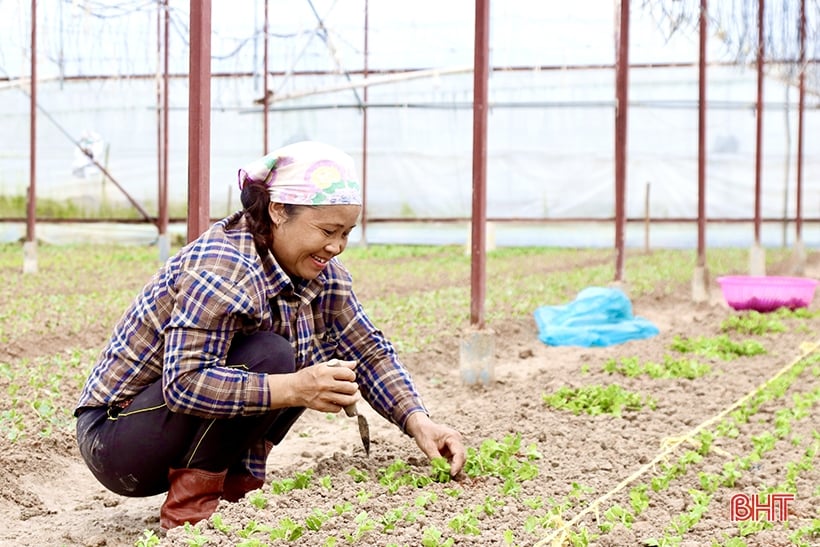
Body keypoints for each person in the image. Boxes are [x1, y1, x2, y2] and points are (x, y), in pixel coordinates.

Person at [74, 141, 466, 532]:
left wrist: (418, 421)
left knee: (297, 357)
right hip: (117, 438)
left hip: (166, 433)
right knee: (274, 356)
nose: (336, 247)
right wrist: (294, 388)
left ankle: (234, 492)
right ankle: (191, 513)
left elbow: (368, 351)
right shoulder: (223, 268)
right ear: (278, 211)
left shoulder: (324, 277)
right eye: (328, 230)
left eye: (346, 232)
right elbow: (184, 383)